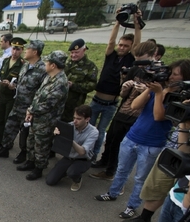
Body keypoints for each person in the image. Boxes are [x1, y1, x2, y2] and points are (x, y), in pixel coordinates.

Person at [94, 59, 190, 220]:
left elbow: (158, 116)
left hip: (152, 144)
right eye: (171, 72)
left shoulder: (179, 99)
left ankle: (132, 206)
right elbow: (134, 105)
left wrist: (161, 93)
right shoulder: (157, 89)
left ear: (184, 77)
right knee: (121, 169)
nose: (171, 77)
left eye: (176, 75)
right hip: (133, 136)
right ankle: (112, 193)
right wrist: (149, 89)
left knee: (140, 177)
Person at [89, 40, 158, 180]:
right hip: (123, 111)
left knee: (124, 146)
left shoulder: (158, 73)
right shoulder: (135, 69)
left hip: (138, 115)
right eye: (137, 61)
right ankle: (105, 163)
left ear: (153, 55)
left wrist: (146, 91)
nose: (140, 65)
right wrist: (125, 87)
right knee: (112, 140)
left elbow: (160, 97)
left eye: (142, 61)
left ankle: (114, 173)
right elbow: (123, 94)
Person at [90, 9, 141, 163]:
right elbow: (111, 41)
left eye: (126, 46)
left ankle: (93, 156)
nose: (122, 47)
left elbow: (138, 44)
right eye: (121, 45)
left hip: (110, 104)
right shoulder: (110, 55)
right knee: (88, 130)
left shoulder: (130, 60)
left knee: (100, 133)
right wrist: (118, 22)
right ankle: (83, 154)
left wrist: (137, 24)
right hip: (96, 101)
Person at [0, 40, 47, 162]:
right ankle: (5, 149)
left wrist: (32, 109)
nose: (25, 51)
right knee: (10, 127)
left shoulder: (42, 69)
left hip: (29, 107)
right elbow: (20, 84)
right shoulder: (26, 65)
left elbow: (41, 92)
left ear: (35, 52)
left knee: (25, 132)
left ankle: (23, 153)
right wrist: (13, 86)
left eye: (27, 49)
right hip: (17, 104)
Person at [18, 51, 69, 180]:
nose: (44, 64)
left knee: (41, 145)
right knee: (31, 141)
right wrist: (30, 110)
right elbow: (38, 95)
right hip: (36, 117)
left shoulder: (61, 83)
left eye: (47, 62)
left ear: (53, 65)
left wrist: (32, 111)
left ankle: (39, 168)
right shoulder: (49, 77)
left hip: (47, 121)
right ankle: (30, 161)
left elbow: (48, 105)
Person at [46, 105, 98, 191]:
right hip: (69, 156)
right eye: (74, 118)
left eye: (79, 119)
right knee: (50, 181)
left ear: (87, 119)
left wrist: (69, 140)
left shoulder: (93, 132)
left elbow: (82, 152)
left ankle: (77, 179)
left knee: (72, 172)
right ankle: (66, 171)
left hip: (83, 159)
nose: (75, 121)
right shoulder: (70, 126)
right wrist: (56, 135)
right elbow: (60, 144)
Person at [0, 37, 25, 148]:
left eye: (18, 49)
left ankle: (7, 143)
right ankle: (0, 140)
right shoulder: (6, 61)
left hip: (12, 97)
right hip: (1, 94)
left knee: (8, 121)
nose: (15, 52)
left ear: (22, 50)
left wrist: (12, 86)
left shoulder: (23, 64)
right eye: (14, 49)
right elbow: (0, 74)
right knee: (0, 120)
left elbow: (22, 83)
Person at [61, 38, 98, 123]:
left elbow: (92, 85)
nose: (73, 55)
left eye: (76, 52)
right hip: (61, 103)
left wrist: (73, 86)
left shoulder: (90, 66)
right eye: (72, 52)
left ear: (84, 50)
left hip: (74, 106)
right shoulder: (67, 63)